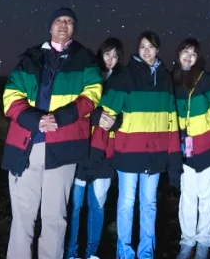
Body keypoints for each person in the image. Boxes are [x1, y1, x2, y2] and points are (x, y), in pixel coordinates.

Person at [2, 7, 103, 259]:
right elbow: (10, 97)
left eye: (69, 21)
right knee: (23, 217)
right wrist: (36, 120)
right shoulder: (30, 57)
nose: (63, 24)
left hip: (63, 147)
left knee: (55, 218)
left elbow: (93, 93)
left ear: (74, 29)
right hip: (27, 146)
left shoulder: (85, 58)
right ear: (50, 26)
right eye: (59, 20)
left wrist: (59, 118)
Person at [91, 31, 182, 259]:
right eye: (142, 46)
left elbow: (172, 120)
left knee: (149, 204)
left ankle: (145, 253)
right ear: (137, 49)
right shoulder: (127, 76)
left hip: (154, 153)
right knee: (126, 204)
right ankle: (124, 252)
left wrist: (173, 159)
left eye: (151, 47)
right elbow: (105, 109)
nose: (146, 50)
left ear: (158, 50)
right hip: (128, 152)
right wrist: (99, 118)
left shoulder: (165, 78)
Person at [65, 37, 124, 259]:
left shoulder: (121, 81)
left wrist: (117, 121)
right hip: (82, 150)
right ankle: (71, 252)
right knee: (76, 206)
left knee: (97, 207)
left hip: (105, 153)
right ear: (101, 54)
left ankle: (92, 252)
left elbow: (125, 112)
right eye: (108, 53)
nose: (111, 59)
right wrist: (97, 116)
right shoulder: (89, 77)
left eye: (116, 55)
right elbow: (77, 108)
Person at [172, 38, 210, 259]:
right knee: (188, 198)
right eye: (185, 52)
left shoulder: (207, 80)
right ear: (178, 54)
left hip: (208, 148)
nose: (188, 57)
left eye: (193, 53)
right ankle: (187, 241)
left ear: (198, 57)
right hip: (185, 151)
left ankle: (203, 242)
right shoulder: (174, 81)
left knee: (206, 198)